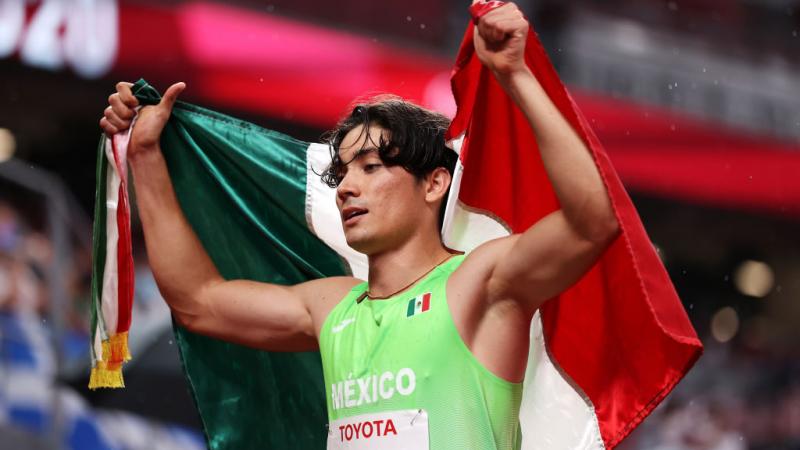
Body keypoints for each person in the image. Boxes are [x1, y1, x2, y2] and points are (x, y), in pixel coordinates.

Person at [99, 3, 619, 449]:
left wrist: (516, 75)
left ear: (435, 184)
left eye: (372, 168)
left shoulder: (481, 283)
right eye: (343, 173)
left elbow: (592, 222)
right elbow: (198, 301)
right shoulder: (331, 306)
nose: (347, 187)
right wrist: (145, 155)